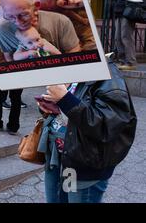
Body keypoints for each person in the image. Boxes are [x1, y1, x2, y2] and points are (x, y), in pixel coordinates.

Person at [37, 57, 136, 203]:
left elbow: (107, 125)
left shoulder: (107, 73)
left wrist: (65, 99)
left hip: (83, 165)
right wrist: (54, 108)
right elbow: (75, 108)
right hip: (59, 158)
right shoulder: (69, 66)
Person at [111, 0, 146, 70]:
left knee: (126, 37)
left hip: (128, 13)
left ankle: (130, 62)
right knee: (118, 38)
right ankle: (122, 61)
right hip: (120, 12)